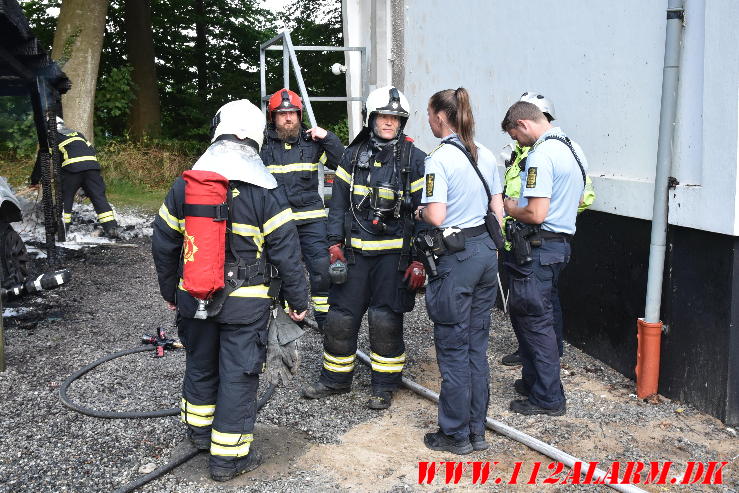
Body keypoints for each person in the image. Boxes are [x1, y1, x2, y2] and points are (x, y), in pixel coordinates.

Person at [151, 99, 308, 482]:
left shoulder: (187, 184)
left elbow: (163, 240)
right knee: (239, 376)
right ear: (255, 136)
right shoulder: (265, 189)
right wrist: (298, 301)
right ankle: (228, 460)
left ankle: (200, 436)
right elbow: (287, 252)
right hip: (246, 304)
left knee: (201, 365)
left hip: (194, 295)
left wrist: (171, 289)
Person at [301, 86, 427, 410]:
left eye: (395, 118)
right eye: (384, 116)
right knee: (340, 318)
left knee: (385, 320)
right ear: (371, 118)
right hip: (354, 255)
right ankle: (335, 379)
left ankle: (383, 386)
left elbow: (423, 212)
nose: (389, 123)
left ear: (402, 123)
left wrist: (418, 260)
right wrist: (333, 244)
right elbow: (338, 205)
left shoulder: (415, 160)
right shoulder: (351, 156)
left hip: (393, 259)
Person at [417, 87, 504, 455]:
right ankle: (477, 430)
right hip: (486, 252)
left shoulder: (438, 159)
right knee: (475, 347)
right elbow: (497, 211)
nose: (428, 121)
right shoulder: (485, 153)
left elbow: (435, 215)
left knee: (453, 347)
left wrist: (418, 211)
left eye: (429, 115)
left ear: (440, 116)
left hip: (457, 257)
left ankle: (454, 436)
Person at [500, 100, 588, 416]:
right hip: (559, 245)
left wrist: (511, 208)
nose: (517, 144)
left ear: (523, 124)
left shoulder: (540, 155)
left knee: (534, 323)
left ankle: (547, 398)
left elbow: (536, 213)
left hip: (537, 248)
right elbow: (578, 197)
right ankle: (533, 382)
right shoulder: (574, 149)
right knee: (541, 317)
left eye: (515, 136)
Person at [261, 89, 345, 330]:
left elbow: (342, 164)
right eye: (282, 114)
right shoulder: (263, 145)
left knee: (322, 270)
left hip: (311, 220)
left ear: (299, 115)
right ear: (273, 118)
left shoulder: (312, 143)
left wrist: (327, 137)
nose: (288, 118)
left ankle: (326, 322)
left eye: (292, 114)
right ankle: (287, 316)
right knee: (279, 269)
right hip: (277, 222)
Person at [31, 116, 121, 238]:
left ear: (48, 127)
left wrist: (35, 180)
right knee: (99, 198)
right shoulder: (78, 134)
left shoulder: (51, 137)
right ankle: (111, 228)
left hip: (72, 170)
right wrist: (85, 185)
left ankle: (62, 230)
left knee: (65, 199)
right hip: (92, 168)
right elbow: (90, 150)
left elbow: (43, 160)